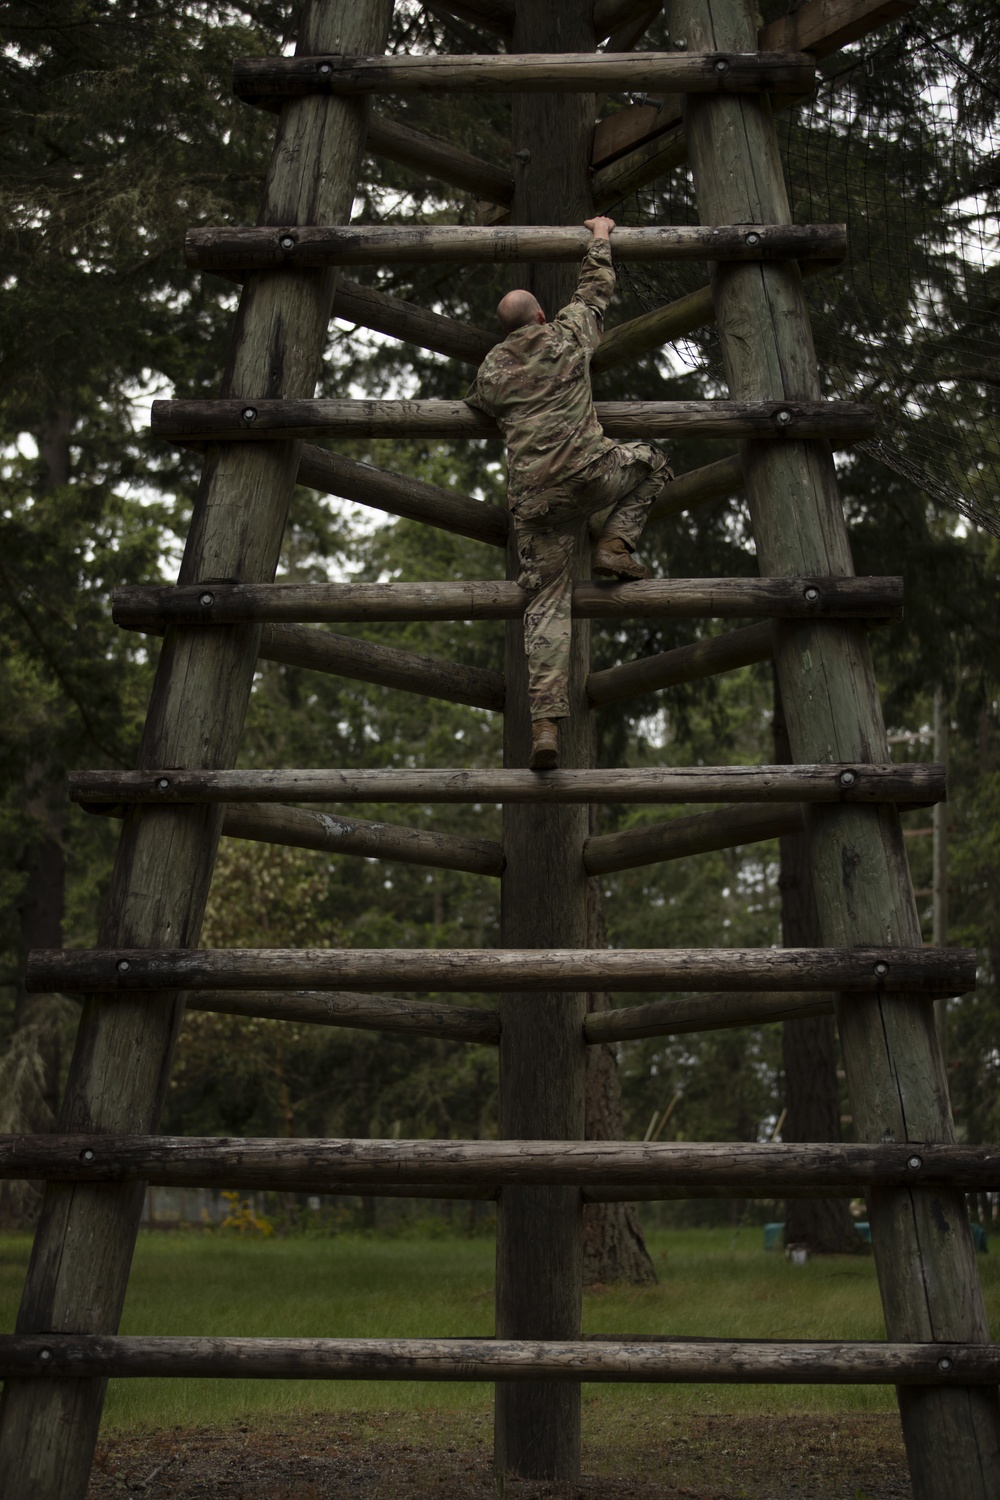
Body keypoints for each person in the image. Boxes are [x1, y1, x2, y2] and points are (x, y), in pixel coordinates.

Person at [465, 215, 672, 770]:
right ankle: (616, 545)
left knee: (546, 606)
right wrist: (599, 236)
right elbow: (594, 291)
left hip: (537, 506)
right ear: (538, 314)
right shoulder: (567, 335)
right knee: (652, 463)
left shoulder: (492, 370)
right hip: (591, 475)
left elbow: (483, 402)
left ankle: (545, 727)